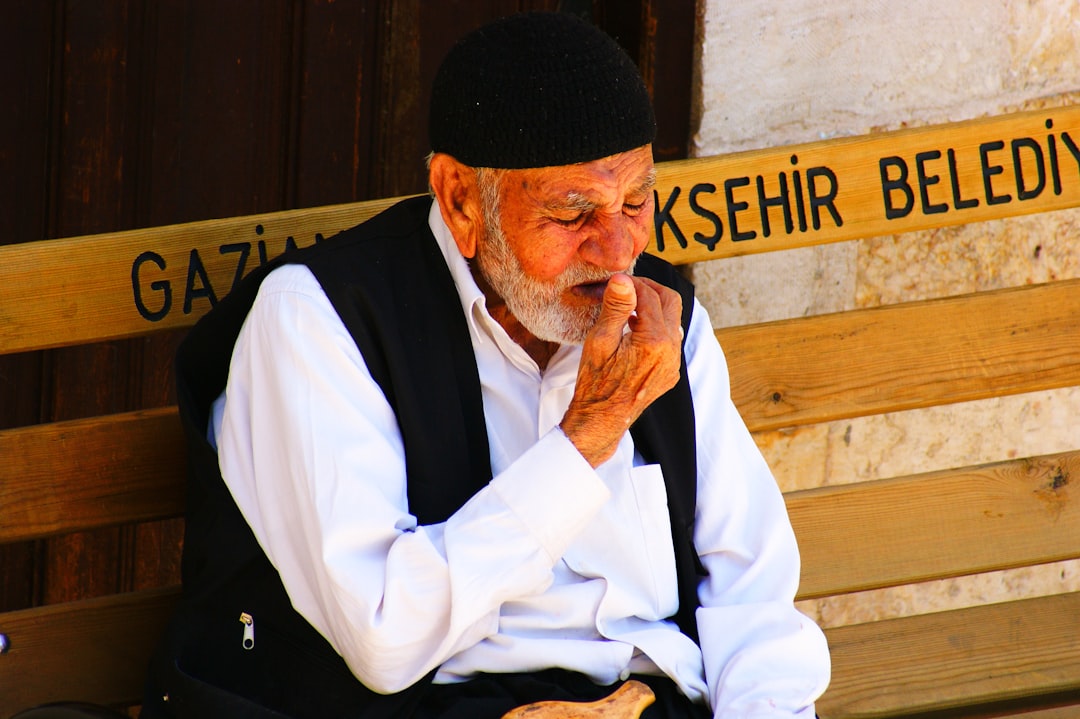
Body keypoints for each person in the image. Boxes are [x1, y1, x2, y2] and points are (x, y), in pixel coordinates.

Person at [142, 11, 830, 719]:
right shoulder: (320, 322)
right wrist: (585, 437)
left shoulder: (664, 324)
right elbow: (385, 638)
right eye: (572, 214)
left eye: (636, 200)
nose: (618, 249)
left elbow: (753, 600)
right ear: (462, 200)